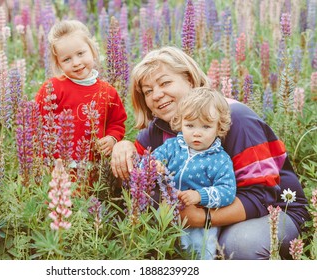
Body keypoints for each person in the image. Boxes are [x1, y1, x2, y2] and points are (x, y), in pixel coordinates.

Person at [111, 46, 310, 259]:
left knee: (238, 244)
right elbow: (140, 168)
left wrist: (202, 218)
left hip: (272, 211)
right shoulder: (161, 127)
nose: (157, 95)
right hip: (205, 213)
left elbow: (261, 196)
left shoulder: (236, 118)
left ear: (189, 80)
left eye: (165, 83)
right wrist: (123, 146)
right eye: (148, 91)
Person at [151, 87, 236, 259]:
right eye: (190, 125)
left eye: (206, 126)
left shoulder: (220, 159)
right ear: (180, 122)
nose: (196, 133)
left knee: (199, 253)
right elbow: (147, 160)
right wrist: (154, 164)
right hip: (165, 215)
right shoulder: (172, 147)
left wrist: (200, 195)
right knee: (162, 250)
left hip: (199, 225)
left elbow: (228, 191)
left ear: (219, 127)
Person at [35, 20, 127, 163]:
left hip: (95, 169)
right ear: (58, 63)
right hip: (59, 169)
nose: (76, 62)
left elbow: (117, 122)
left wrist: (112, 138)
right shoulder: (52, 88)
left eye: (80, 53)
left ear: (92, 50)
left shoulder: (108, 92)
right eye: (67, 59)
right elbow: (37, 125)